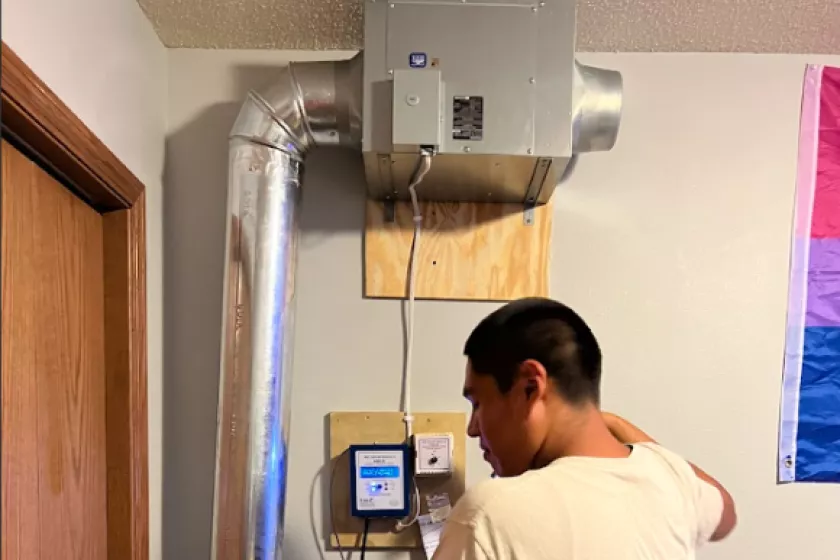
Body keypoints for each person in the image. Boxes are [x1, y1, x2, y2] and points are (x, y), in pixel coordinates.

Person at [432, 298, 737, 560]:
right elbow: (725, 513)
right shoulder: (669, 479)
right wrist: (612, 423)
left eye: (478, 403)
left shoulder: (488, 513)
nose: (473, 429)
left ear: (528, 387)